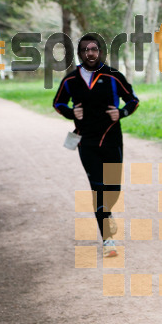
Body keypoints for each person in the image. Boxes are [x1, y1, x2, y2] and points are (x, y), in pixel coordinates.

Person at [53, 34, 139, 257]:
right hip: (86, 141)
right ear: (79, 53)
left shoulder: (114, 76)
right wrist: (71, 113)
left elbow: (133, 100)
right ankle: (108, 240)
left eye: (94, 49)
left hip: (111, 139)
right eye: (85, 50)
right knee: (97, 187)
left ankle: (107, 214)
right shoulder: (70, 80)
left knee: (113, 188)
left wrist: (121, 112)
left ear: (101, 52)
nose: (90, 53)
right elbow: (58, 102)